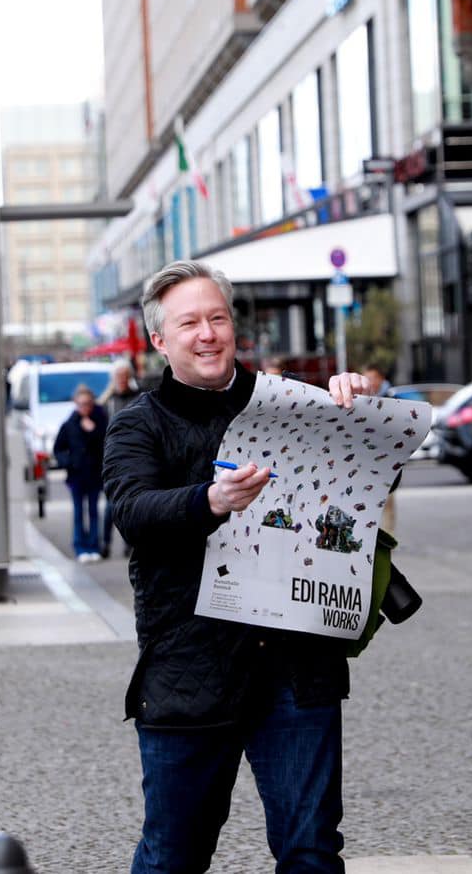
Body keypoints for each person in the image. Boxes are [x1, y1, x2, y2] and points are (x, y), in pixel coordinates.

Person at [104, 259, 378, 873]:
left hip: (296, 665)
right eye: (190, 323)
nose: (208, 334)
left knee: (311, 852)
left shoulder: (296, 408)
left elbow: (362, 480)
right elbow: (133, 511)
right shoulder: (136, 426)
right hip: (190, 668)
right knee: (173, 856)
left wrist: (359, 408)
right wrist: (210, 500)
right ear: (159, 341)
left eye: (218, 318)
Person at [54, 384, 109, 563]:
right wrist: (68, 463)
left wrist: (92, 431)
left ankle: (94, 546)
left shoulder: (100, 422)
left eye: (88, 403)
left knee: (94, 511)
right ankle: (80, 547)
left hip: (94, 475)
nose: (84, 407)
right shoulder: (70, 423)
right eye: (81, 404)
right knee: (78, 513)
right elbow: (59, 448)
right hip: (76, 475)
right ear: (76, 404)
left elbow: (105, 445)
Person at [98, 363, 144, 559]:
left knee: (131, 505)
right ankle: (106, 543)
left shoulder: (139, 398)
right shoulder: (107, 402)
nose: (122, 380)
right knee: (111, 506)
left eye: (125, 376)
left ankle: (129, 544)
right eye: (119, 376)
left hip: (136, 459)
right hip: (113, 461)